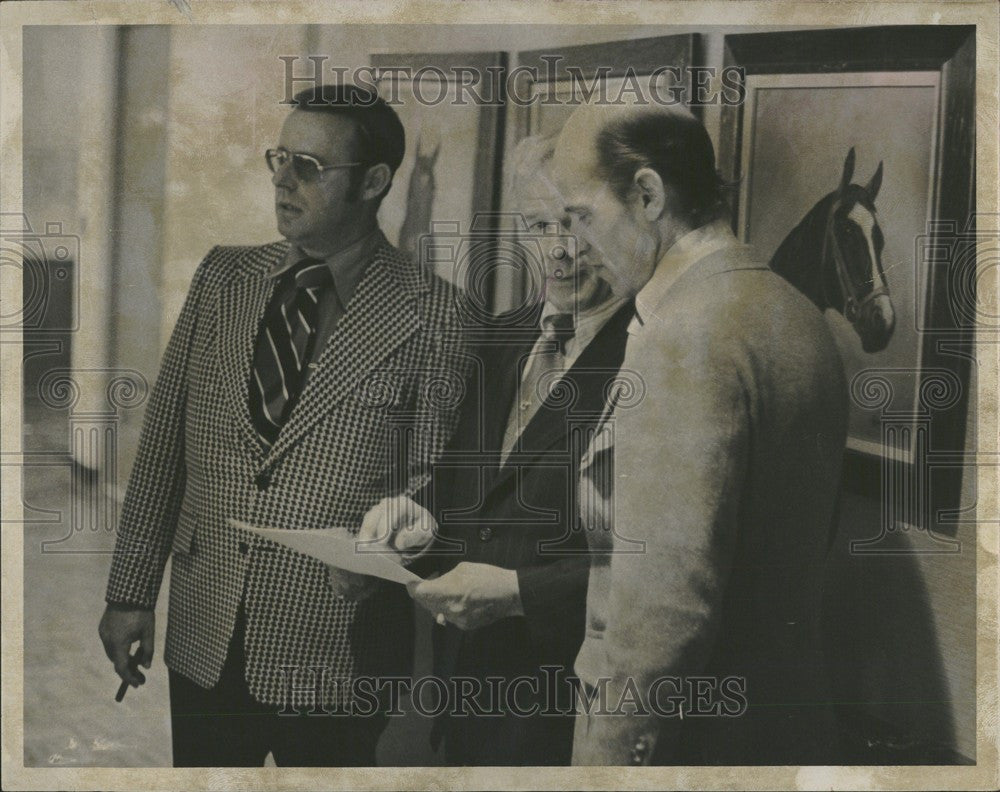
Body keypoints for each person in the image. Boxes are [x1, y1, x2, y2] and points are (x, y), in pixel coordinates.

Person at [98, 83, 467, 767]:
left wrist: (399, 548)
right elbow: (162, 451)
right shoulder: (223, 278)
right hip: (205, 633)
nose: (284, 180)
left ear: (375, 181)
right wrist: (129, 593)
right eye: (280, 158)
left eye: (311, 166)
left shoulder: (438, 316)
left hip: (336, 651)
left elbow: (433, 494)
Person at [550, 100, 849, 765]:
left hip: (685, 743)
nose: (575, 244)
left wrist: (610, 764)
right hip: (778, 723)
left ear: (648, 194)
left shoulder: (685, 335)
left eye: (582, 215)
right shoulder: (792, 310)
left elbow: (665, 613)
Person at [358, 135, 633, 765]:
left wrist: (518, 593)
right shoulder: (499, 337)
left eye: (578, 225)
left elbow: (668, 565)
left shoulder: (654, 356)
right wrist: (419, 518)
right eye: (540, 226)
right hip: (469, 696)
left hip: (572, 709)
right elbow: (467, 495)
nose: (560, 251)